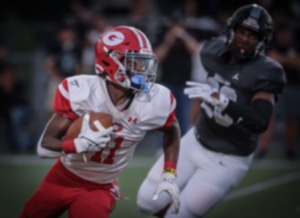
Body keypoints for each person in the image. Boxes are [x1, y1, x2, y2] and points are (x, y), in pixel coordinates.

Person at [137, 4, 286, 218]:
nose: (245, 39)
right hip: (195, 140)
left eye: (253, 35)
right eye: (242, 32)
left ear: (262, 41)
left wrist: (224, 102)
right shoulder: (213, 51)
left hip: (228, 159)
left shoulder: (266, 72)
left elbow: (260, 121)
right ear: (231, 30)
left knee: (180, 214)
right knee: (146, 201)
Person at [20, 26, 180, 218]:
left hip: (102, 186)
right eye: (134, 62)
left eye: (143, 62)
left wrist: (169, 174)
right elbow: (44, 147)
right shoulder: (82, 92)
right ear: (110, 62)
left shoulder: (156, 99)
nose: (142, 69)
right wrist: (78, 145)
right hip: (63, 176)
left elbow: (172, 130)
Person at [258, 21, 300, 160]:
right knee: (272, 118)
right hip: (275, 87)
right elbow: (267, 62)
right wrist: (290, 60)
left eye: (286, 33)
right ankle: (263, 150)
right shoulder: (271, 46)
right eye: (282, 33)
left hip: (294, 86)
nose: (284, 36)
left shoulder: (295, 46)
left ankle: (289, 150)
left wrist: (282, 59)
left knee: (292, 119)